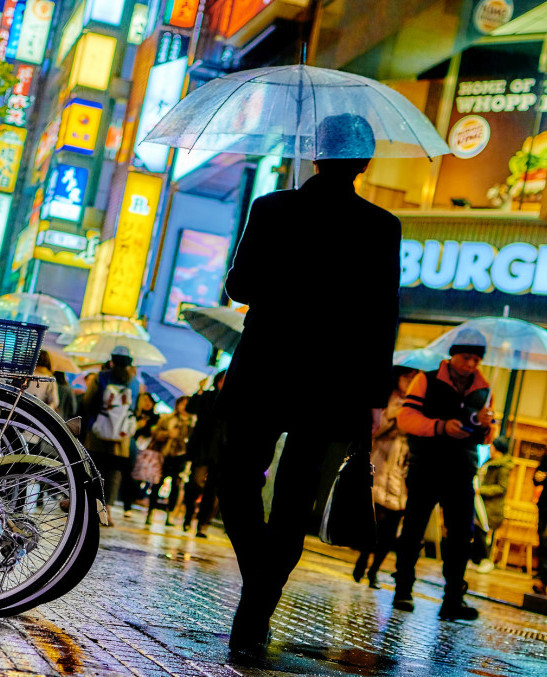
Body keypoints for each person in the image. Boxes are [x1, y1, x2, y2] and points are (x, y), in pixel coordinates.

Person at [216, 113, 401, 660]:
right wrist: (375, 397)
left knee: (236, 480)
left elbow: (240, 286)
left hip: (265, 369)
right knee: (294, 501)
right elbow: (382, 317)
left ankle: (255, 594)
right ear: (364, 163)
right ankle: (254, 615)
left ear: (316, 156)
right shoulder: (381, 226)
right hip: (333, 382)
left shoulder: (271, 208)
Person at [392, 328, 496, 621]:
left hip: (462, 470)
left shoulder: (485, 389)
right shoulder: (426, 379)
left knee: (462, 536)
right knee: (413, 529)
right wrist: (441, 427)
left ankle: (453, 599)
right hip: (426, 465)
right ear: (453, 355)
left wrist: (487, 426)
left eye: (477, 359)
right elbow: (406, 418)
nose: (471, 364)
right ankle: (403, 589)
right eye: (466, 357)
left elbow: (488, 436)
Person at [352, 366, 418, 588]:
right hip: (380, 465)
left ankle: (375, 571)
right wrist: (393, 414)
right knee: (373, 522)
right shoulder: (385, 399)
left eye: (414, 378)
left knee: (391, 529)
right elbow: (373, 431)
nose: (410, 381)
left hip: (401, 471)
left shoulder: (417, 402)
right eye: (407, 376)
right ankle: (363, 559)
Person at [83, 346, 140, 527]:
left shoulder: (101, 377)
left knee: (94, 469)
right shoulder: (134, 382)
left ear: (112, 360)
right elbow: (135, 409)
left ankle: (88, 505)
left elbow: (88, 401)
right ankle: (106, 510)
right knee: (114, 474)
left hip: (98, 433)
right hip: (121, 438)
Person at [182, 371, 226, 537]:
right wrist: (199, 391)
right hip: (202, 448)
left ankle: (202, 524)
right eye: (222, 380)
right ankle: (188, 516)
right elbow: (190, 408)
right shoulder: (207, 396)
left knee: (212, 490)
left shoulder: (233, 400)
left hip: (221, 451)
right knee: (195, 483)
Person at [145, 395, 193, 526]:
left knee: (176, 486)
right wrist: (168, 434)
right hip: (164, 454)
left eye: (187, 404)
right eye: (182, 404)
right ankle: (150, 512)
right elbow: (155, 433)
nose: (184, 407)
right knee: (157, 483)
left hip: (180, 456)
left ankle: (170, 515)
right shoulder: (168, 418)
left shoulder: (191, 422)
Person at [469, 436, 512, 574]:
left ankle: (485, 560)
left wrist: (481, 490)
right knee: (475, 530)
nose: (490, 449)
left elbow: (502, 488)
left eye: (492, 446)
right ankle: (476, 560)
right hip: (479, 503)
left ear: (497, 449)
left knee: (481, 531)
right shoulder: (489, 462)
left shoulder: (502, 467)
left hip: (490, 507)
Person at [121, 392, 160, 517]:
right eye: (144, 400)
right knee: (129, 475)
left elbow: (152, 434)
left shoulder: (155, 418)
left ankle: (137, 498)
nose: (147, 403)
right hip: (131, 449)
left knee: (141, 478)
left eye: (149, 400)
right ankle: (127, 505)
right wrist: (137, 426)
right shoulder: (133, 415)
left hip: (146, 453)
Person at [533, 453, 547, 594]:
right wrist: (538, 477)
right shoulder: (546, 457)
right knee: (542, 540)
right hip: (544, 505)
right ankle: (542, 576)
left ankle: (544, 577)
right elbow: (537, 478)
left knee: (546, 539)